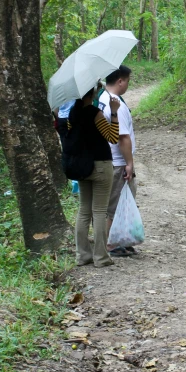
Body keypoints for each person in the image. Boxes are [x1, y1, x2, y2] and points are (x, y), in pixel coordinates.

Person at [67, 87, 120, 267]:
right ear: (93, 94)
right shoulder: (95, 114)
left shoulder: (72, 116)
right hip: (100, 165)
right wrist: (114, 112)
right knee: (99, 211)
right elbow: (112, 137)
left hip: (82, 167)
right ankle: (100, 257)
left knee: (83, 210)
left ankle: (82, 255)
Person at [99, 65, 137, 257]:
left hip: (111, 158)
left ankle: (120, 239)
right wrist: (129, 163)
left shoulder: (103, 99)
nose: (128, 84)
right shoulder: (116, 104)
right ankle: (110, 244)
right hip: (118, 160)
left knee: (119, 202)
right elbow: (123, 137)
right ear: (120, 80)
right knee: (114, 204)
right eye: (127, 80)